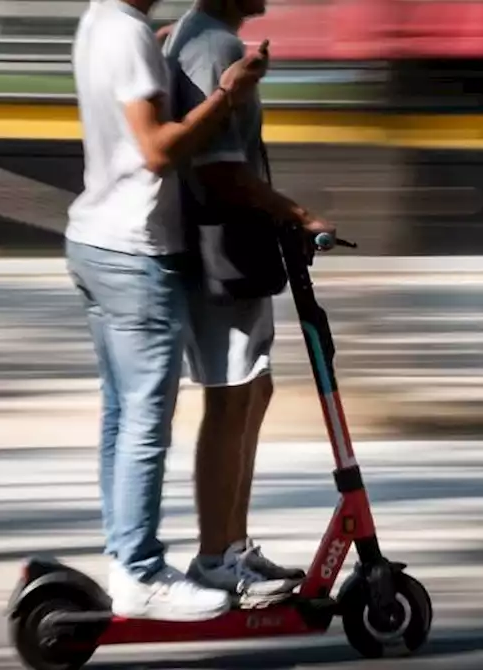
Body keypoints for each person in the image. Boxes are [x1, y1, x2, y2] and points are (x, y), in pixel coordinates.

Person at [63, 0, 269, 622]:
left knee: (121, 417)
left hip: (94, 240)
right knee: (146, 423)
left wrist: (152, 50)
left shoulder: (100, 22)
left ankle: (126, 560)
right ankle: (141, 574)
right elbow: (157, 150)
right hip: (135, 250)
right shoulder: (126, 33)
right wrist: (227, 94)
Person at [163, 0, 335, 607]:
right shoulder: (213, 47)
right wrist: (296, 212)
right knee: (231, 396)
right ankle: (216, 557)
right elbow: (220, 173)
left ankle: (231, 548)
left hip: (227, 243)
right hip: (221, 245)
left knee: (251, 391)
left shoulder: (197, 36)